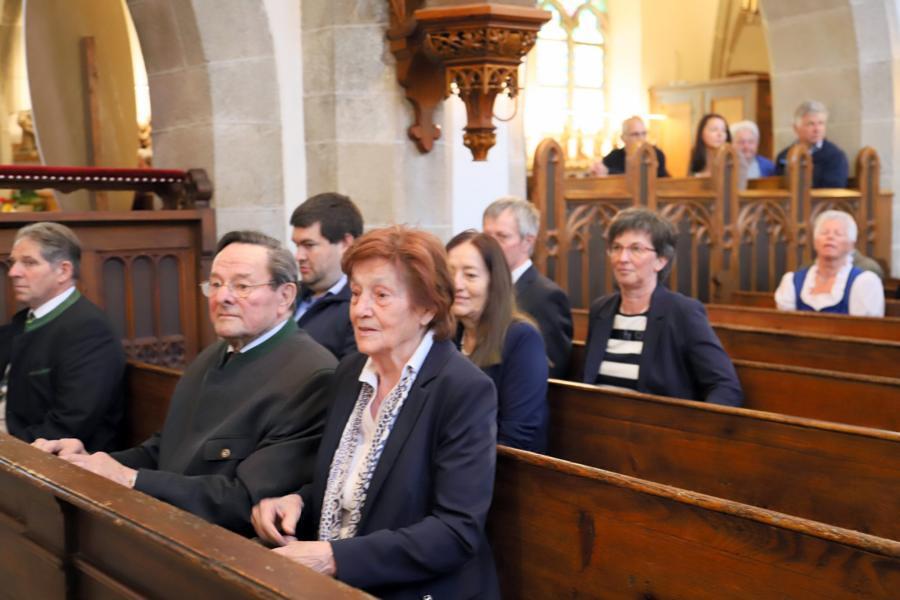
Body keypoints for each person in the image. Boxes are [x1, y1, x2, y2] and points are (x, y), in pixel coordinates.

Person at [251, 226, 500, 600]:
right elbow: (353, 485)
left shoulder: (462, 389)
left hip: (415, 589)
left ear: (427, 308)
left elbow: (455, 532)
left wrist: (334, 558)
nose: (360, 310)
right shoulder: (351, 372)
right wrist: (299, 501)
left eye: (381, 295)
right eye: (355, 293)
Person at [33, 231, 337, 536]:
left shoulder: (310, 376)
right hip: (169, 526)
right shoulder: (213, 355)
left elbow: (245, 502)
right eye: (215, 284)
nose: (222, 297)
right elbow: (163, 450)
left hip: (221, 544)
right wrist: (87, 462)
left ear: (285, 296)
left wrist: (130, 479)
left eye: (242, 286)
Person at [583, 208, 743, 406]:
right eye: (616, 247)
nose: (622, 258)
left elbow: (725, 386)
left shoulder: (682, 312)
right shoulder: (601, 310)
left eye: (636, 249)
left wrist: (697, 425)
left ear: (660, 260)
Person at [0, 222, 124, 451]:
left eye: (29, 262)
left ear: (63, 271)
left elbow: (69, 425)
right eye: (13, 262)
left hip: (55, 461)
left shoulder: (90, 331)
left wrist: (7, 450)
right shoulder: (22, 321)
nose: (13, 272)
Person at [447, 230, 548, 452]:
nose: (456, 284)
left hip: (504, 464)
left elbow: (517, 434)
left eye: (470, 275)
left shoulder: (522, 338)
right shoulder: (448, 336)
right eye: (450, 272)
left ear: (494, 283)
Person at [483, 197, 573, 378]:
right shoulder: (482, 287)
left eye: (502, 236)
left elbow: (552, 371)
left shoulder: (546, 296)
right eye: (486, 237)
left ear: (528, 241)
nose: (491, 246)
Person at [290, 192, 363, 359]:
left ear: (345, 243)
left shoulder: (359, 308)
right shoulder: (287, 295)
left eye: (309, 245)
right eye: (297, 245)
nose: (299, 256)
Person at [774, 210, 884, 316]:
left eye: (838, 234)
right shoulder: (793, 281)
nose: (830, 237)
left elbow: (865, 326)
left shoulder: (864, 282)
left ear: (851, 244)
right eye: (824, 233)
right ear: (815, 242)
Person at [774, 101, 849, 188]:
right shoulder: (784, 156)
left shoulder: (835, 156)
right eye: (811, 124)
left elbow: (834, 189)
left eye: (821, 123)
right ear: (796, 128)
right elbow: (778, 187)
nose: (817, 129)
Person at [591, 116, 670, 177]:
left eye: (644, 133)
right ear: (623, 138)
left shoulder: (656, 154)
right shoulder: (614, 156)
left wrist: (609, 172)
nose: (641, 138)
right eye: (635, 134)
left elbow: (659, 180)